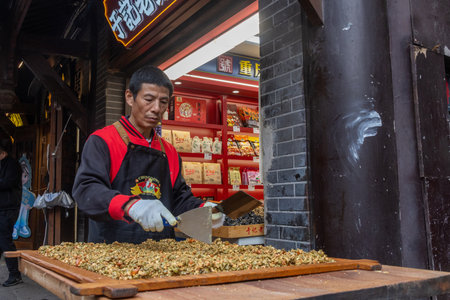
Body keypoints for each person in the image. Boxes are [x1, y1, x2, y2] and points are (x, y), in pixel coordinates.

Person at [73, 65, 223, 244]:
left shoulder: (170, 152)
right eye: (149, 99)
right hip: (111, 251)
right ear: (130, 97)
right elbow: (86, 191)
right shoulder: (103, 141)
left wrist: (204, 209)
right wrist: (131, 206)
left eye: (163, 102)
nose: (156, 108)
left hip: (161, 252)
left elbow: (179, 199)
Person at [0, 138, 23, 287]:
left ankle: (15, 274)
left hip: (8, 208)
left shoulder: (13, 165)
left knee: (5, 241)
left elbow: (7, 183)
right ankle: (14, 273)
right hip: (2, 207)